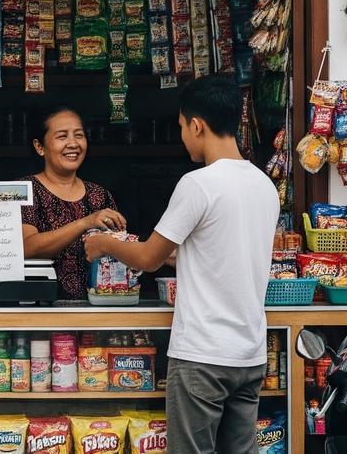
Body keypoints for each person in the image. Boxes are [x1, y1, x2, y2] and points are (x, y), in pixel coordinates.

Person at [84, 75, 277, 454]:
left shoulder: (198, 183)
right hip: (249, 354)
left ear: (197, 125)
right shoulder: (263, 184)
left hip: (203, 356)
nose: (183, 138)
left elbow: (148, 258)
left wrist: (101, 243)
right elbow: (221, 251)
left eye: (181, 128)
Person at [21, 106, 127, 300]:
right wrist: (86, 222)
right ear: (39, 147)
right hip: (39, 308)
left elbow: (121, 251)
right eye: (62, 136)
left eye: (79, 135)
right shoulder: (24, 190)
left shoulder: (100, 195)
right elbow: (27, 248)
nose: (73, 143)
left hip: (97, 310)